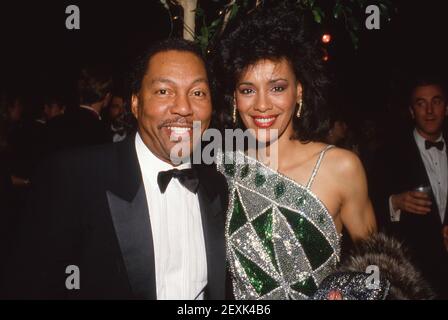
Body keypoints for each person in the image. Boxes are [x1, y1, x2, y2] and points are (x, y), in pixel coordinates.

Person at [1, 38, 228, 300]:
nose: (184, 108)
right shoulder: (74, 176)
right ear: (135, 103)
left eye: (198, 93)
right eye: (164, 91)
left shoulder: (219, 186)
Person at [216, 5, 376, 300]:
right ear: (234, 99)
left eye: (277, 87)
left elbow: (379, 268)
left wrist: (349, 292)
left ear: (299, 91)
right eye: (248, 90)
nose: (262, 105)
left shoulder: (341, 167)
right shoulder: (221, 168)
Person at [373, 76, 448, 299]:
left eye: (436, 101)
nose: (429, 110)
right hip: (413, 272)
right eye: (421, 103)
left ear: (446, 108)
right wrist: (394, 202)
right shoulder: (389, 153)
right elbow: (367, 207)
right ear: (412, 111)